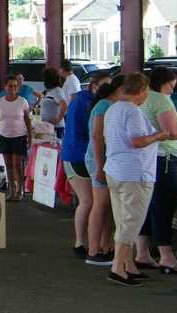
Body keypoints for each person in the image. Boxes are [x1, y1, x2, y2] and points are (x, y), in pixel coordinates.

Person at [103, 72, 169, 286]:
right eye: (146, 91)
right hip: (134, 174)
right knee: (131, 223)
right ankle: (117, 268)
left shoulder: (112, 109)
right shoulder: (132, 111)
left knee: (123, 221)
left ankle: (128, 265)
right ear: (141, 91)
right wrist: (160, 135)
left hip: (115, 170)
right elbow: (137, 141)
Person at [135, 67, 177, 274]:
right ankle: (167, 256)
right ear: (163, 83)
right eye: (171, 86)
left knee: (148, 206)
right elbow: (174, 132)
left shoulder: (143, 98)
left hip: (146, 159)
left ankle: (142, 253)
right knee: (164, 207)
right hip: (164, 159)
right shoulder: (161, 100)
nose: (173, 91)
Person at [62, 71, 111, 258]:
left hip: (82, 156)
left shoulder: (92, 102)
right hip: (77, 156)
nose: (108, 89)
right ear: (94, 86)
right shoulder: (84, 103)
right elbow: (78, 134)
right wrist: (95, 157)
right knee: (89, 202)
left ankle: (91, 243)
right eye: (104, 85)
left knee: (94, 203)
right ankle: (81, 243)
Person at [84, 76, 124, 266]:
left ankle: (104, 246)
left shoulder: (109, 105)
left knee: (107, 206)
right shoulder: (104, 106)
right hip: (99, 160)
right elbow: (96, 137)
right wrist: (100, 166)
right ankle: (93, 250)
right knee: (100, 205)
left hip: (106, 161)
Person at [0, 75, 32, 201]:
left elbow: (27, 120)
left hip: (19, 136)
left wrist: (30, 136)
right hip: (3, 136)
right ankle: (11, 189)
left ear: (17, 87)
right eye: (10, 86)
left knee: (17, 164)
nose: (13, 88)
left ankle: (20, 189)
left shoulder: (23, 101)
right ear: (5, 87)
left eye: (15, 86)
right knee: (8, 164)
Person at [41, 67, 67, 139]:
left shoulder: (57, 91)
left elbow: (64, 106)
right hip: (48, 126)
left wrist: (58, 119)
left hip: (56, 128)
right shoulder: (50, 91)